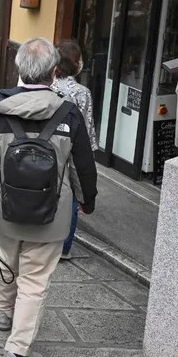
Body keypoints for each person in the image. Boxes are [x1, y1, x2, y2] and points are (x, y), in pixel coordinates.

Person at [0, 38, 98, 357]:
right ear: (54, 73)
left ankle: (1, 312)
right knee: (35, 280)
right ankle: (18, 351)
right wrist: (87, 200)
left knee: (7, 256)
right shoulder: (68, 113)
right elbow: (83, 166)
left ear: (18, 70)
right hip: (53, 213)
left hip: (6, 208)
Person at [51, 40, 98, 260]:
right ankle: (64, 247)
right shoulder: (82, 92)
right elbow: (87, 132)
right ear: (76, 63)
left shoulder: (46, 85)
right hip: (72, 149)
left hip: (47, 147)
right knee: (70, 197)